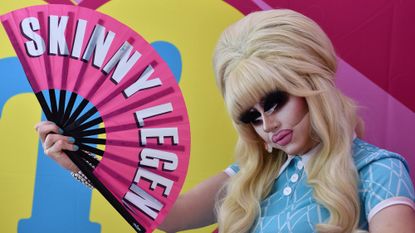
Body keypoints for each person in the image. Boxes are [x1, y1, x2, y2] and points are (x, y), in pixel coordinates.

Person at [35, 9, 415, 233]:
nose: (266, 124)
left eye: (274, 100)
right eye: (251, 115)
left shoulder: (379, 171)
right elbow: (169, 217)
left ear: (311, 85)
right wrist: (83, 164)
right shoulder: (256, 174)